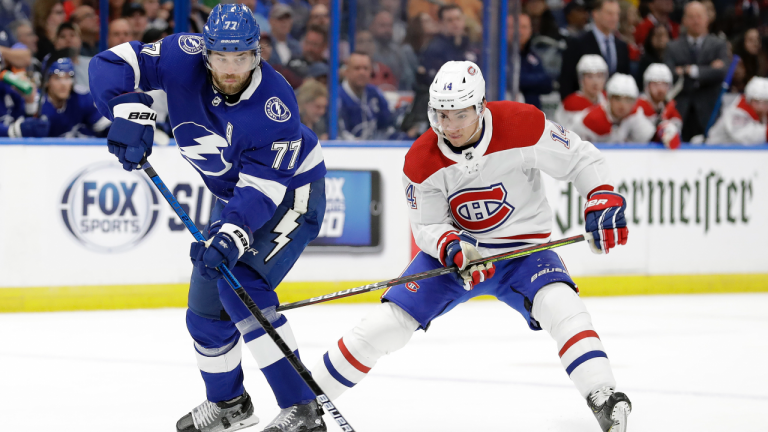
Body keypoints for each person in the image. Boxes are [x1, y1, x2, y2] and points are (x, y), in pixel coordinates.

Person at [311, 60, 632, 432]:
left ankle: (603, 394)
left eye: (461, 115)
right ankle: (304, 404)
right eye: (443, 115)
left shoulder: (521, 123)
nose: (451, 126)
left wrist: (601, 194)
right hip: (460, 259)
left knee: (562, 304)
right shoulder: (420, 159)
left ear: (480, 106)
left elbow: (579, 158)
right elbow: (427, 225)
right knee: (387, 325)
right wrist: (454, 247)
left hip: (524, 253)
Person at [89, 5, 328, 432]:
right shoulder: (181, 55)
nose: (231, 67)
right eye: (221, 57)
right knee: (204, 309)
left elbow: (262, 192)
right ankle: (229, 405)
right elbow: (109, 65)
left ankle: (303, 409)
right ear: (206, 53)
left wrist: (232, 235)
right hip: (236, 196)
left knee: (243, 290)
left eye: (241, 57)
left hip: (292, 193)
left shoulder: (276, 105)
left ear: (258, 53)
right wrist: (127, 111)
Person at [664, 1, 728, 142]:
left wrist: (689, 70)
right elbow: (669, 75)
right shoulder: (672, 47)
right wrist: (708, 69)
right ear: (684, 20)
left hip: (709, 111)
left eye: (699, 16)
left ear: (707, 18)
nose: (696, 21)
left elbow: (722, 72)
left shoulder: (718, 44)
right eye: (691, 17)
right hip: (680, 112)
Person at [559, 0, 630, 100]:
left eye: (617, 14)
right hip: (582, 108)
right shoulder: (578, 43)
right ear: (595, 14)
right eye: (609, 13)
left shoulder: (621, 46)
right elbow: (567, 81)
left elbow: (625, 79)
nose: (614, 18)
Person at [571, 73, 656, 143]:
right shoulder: (592, 119)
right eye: (617, 98)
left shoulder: (634, 114)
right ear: (609, 99)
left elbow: (651, 137)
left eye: (628, 100)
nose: (622, 105)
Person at [39, 57, 110, 137]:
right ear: (46, 81)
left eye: (67, 77)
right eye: (57, 78)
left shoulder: (82, 98)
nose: (63, 84)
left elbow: (105, 127)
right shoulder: (36, 102)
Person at [338, 51, 394, 140]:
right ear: (347, 71)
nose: (362, 72)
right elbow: (339, 134)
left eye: (365, 68)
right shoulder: (337, 97)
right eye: (357, 68)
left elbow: (387, 124)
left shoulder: (375, 93)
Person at [508, 12, 552, 109]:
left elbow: (547, 84)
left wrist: (524, 80)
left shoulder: (533, 56)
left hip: (532, 115)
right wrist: (534, 81)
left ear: (531, 30)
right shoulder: (498, 56)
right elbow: (509, 80)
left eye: (524, 27)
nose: (519, 31)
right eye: (512, 27)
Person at [706, 77, 768, 145]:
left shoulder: (761, 113)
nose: (765, 106)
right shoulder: (736, 112)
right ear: (751, 100)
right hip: (714, 151)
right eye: (764, 102)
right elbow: (747, 137)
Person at [634, 63, 682, 149]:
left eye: (664, 85)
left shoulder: (670, 107)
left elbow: (677, 133)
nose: (660, 89)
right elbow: (644, 137)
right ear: (647, 86)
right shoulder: (638, 106)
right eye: (655, 84)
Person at [0, 53, 48, 137]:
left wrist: (30, 101)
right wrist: (12, 131)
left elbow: (29, 124)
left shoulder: (8, 88)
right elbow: (19, 130)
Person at [555, 55, 608, 129]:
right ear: (581, 79)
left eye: (599, 76)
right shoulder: (571, 103)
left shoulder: (609, 101)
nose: (595, 82)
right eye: (590, 76)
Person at [370, 10, 416, 91]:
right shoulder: (367, 49)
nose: (387, 30)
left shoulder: (399, 52)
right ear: (372, 26)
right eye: (382, 25)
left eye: (389, 26)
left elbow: (408, 79)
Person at [53, 22, 91, 89]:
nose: (68, 39)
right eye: (62, 36)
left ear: (80, 40)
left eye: (72, 35)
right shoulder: (50, 67)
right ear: (55, 43)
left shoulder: (92, 64)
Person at [731, 28, 767, 94]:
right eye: (751, 40)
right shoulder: (737, 60)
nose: (755, 43)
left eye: (758, 39)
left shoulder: (763, 58)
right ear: (743, 42)